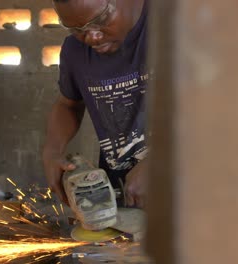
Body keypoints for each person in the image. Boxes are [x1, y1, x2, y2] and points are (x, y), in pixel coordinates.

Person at [42, 0, 149, 208]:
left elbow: (224, 110)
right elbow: (68, 104)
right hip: (125, 201)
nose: (92, 37)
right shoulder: (75, 50)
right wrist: (52, 150)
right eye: (76, 28)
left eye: (101, 19)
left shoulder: (180, 25)